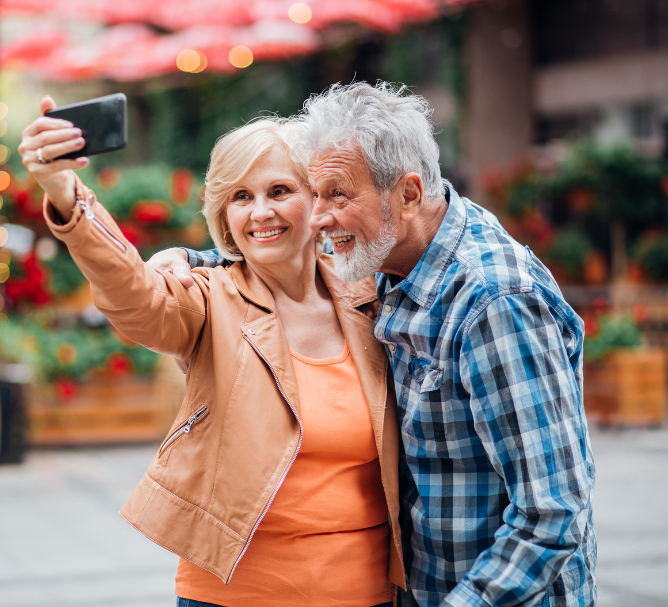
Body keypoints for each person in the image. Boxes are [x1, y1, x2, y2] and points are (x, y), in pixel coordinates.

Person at [155, 82, 597, 607]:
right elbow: (278, 246)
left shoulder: (493, 302)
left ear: (408, 195)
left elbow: (551, 516)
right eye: (313, 193)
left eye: (337, 194)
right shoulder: (390, 251)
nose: (318, 217)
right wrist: (191, 258)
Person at [20, 97, 405, 607]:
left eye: (279, 190)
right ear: (224, 214)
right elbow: (134, 295)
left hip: (366, 593)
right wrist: (67, 196)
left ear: (315, 201)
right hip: (234, 596)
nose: (260, 211)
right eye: (241, 196)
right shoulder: (207, 298)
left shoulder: (371, 298)